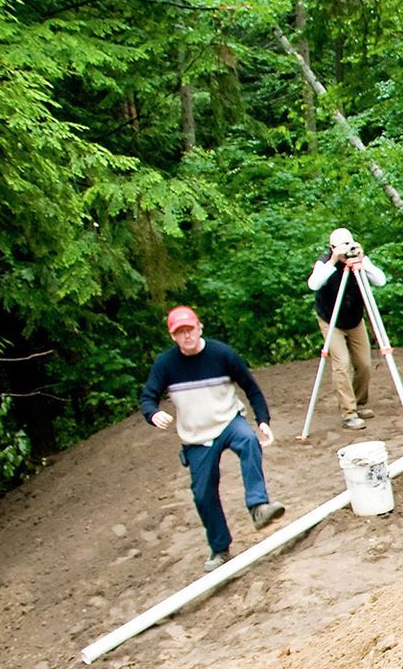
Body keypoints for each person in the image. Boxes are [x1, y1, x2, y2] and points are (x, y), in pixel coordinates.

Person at [140, 306, 287, 571]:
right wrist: (153, 414)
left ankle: (258, 506)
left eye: (190, 329)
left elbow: (251, 388)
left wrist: (263, 420)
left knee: (248, 441)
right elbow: (147, 397)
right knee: (202, 493)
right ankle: (220, 548)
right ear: (173, 336)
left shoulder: (223, 354)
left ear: (200, 328)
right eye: (180, 332)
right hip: (196, 438)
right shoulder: (166, 364)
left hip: (229, 421)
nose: (187, 336)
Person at [306, 227, 388, 431]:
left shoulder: (359, 262)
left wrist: (363, 261)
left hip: (354, 320)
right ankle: (348, 413)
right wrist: (334, 261)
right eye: (341, 247)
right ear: (332, 247)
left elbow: (381, 280)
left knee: (364, 364)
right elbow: (314, 284)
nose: (346, 251)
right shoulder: (324, 262)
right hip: (331, 320)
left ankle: (359, 403)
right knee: (342, 363)